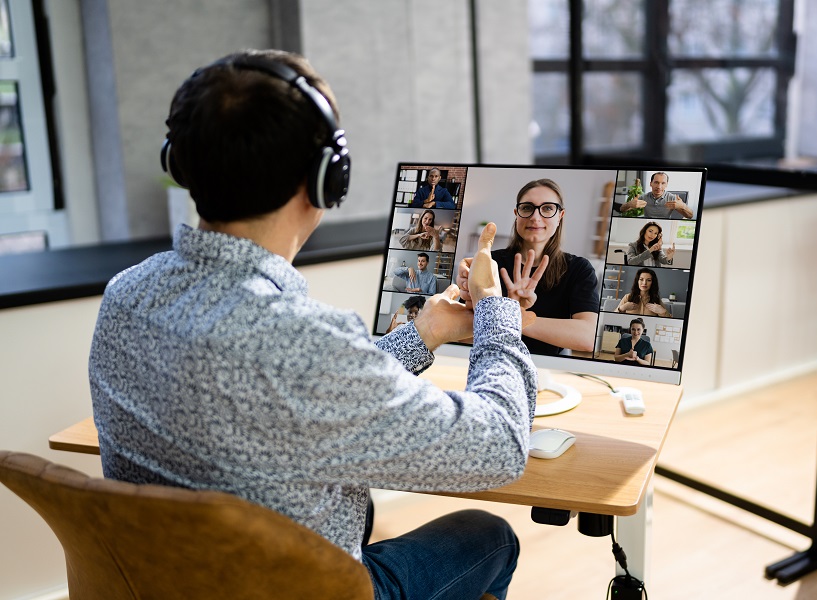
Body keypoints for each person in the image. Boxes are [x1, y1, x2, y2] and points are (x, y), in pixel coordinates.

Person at [89, 49, 537, 600]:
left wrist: (424, 334)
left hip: (170, 583)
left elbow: (294, 399)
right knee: (489, 537)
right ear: (328, 178)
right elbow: (499, 448)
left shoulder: (125, 296)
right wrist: (496, 309)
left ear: (179, 163)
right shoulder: (304, 343)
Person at [457, 179, 600, 356]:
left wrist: (512, 316)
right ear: (517, 213)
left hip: (546, 367)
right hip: (491, 359)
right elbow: (459, 333)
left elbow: (587, 337)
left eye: (547, 208)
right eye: (527, 208)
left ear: (560, 216)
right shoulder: (490, 262)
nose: (535, 217)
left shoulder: (579, 269)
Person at [619, 172, 693, 219]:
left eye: (663, 183)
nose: (659, 187)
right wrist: (629, 204)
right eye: (656, 182)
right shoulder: (644, 197)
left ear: (666, 184)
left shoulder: (672, 198)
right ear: (651, 183)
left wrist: (683, 206)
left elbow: (690, 216)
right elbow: (622, 210)